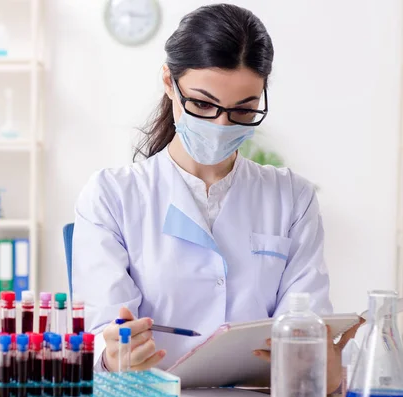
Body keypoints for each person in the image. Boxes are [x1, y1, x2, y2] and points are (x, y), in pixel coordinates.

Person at [71, 3, 362, 394]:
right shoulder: (112, 196)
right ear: (169, 83)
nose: (221, 124)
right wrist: (112, 358)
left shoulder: (293, 198)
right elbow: (99, 341)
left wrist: (323, 369)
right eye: (203, 104)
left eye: (244, 110)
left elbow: (306, 333)